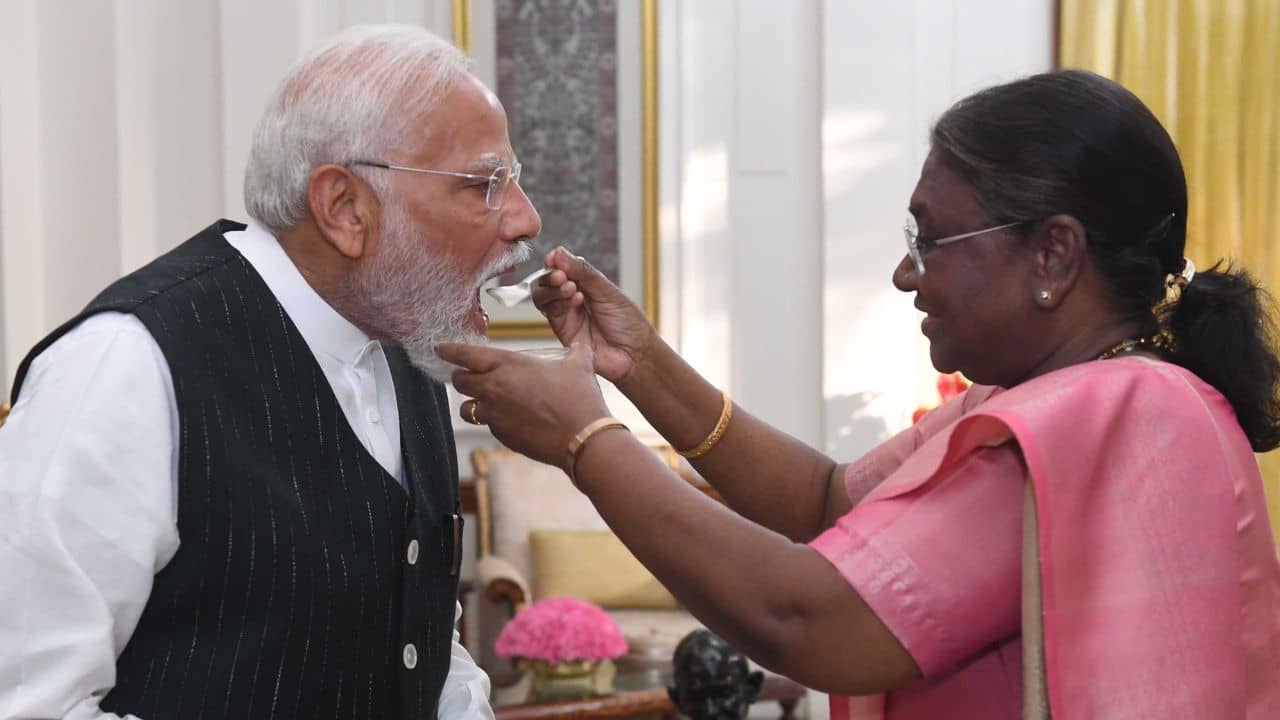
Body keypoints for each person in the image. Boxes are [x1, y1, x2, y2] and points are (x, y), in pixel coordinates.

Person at [437, 69, 1280, 718]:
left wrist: (588, 443)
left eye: (932, 238)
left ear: (1054, 255)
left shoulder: (1111, 415)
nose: (905, 271)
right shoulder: (1055, 394)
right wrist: (643, 363)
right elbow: (827, 499)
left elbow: (811, 620)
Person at [0, 25, 540, 719]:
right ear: (345, 208)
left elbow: (416, 642)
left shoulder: (405, 344)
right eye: (486, 183)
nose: (525, 219)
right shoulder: (127, 365)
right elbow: (27, 702)